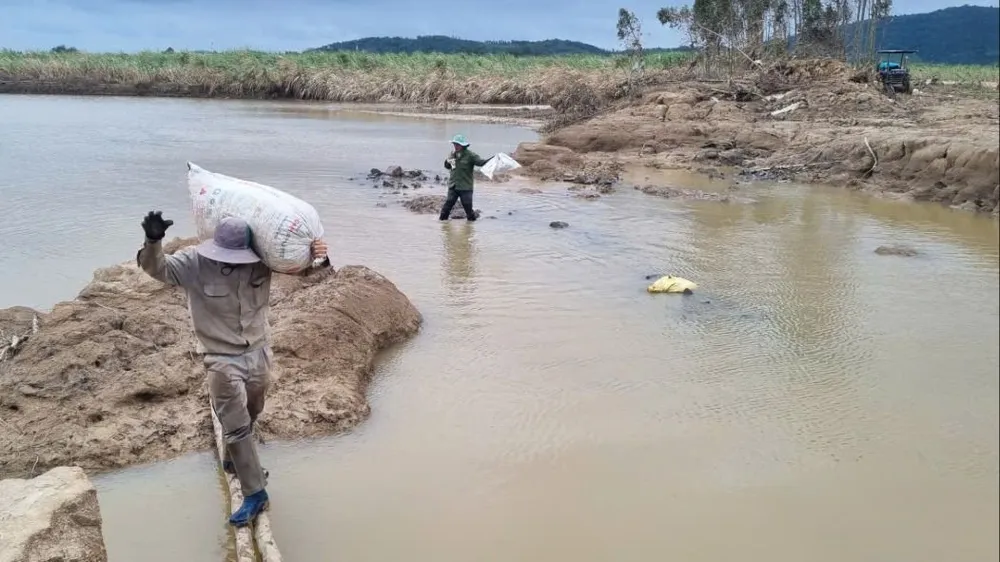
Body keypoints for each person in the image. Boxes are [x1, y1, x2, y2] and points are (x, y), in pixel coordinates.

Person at [136, 211, 328, 527]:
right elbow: (157, 268)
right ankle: (256, 493)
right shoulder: (195, 263)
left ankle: (232, 459)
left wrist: (318, 256)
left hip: (258, 351)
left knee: (252, 412)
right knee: (237, 425)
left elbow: (305, 272)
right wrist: (153, 241)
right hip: (220, 358)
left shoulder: (263, 260)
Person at [440, 134, 493, 221]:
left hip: (466, 188)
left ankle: (471, 229)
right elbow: (448, 167)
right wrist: (447, 159)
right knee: (446, 209)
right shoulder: (453, 154)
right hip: (453, 186)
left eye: (458, 144)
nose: (456, 146)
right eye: (454, 144)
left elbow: (481, 163)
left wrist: (493, 158)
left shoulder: (471, 155)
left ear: (463, 145)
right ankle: (442, 226)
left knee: (469, 211)